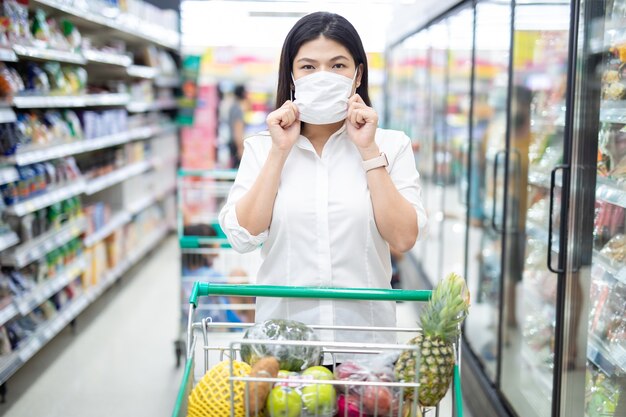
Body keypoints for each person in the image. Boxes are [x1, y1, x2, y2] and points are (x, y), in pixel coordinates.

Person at [218, 12, 427, 344]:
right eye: (309, 67)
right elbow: (242, 237)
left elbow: (403, 238)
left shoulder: (391, 145)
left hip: (365, 343)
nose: (323, 76)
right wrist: (279, 152)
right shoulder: (262, 149)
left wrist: (369, 151)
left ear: (358, 75)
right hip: (284, 346)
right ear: (292, 76)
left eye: (338, 65)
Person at [228, 85, 247, 168]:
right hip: (236, 143)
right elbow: (238, 127)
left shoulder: (232, 106)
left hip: (232, 141)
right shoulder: (237, 109)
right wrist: (240, 147)